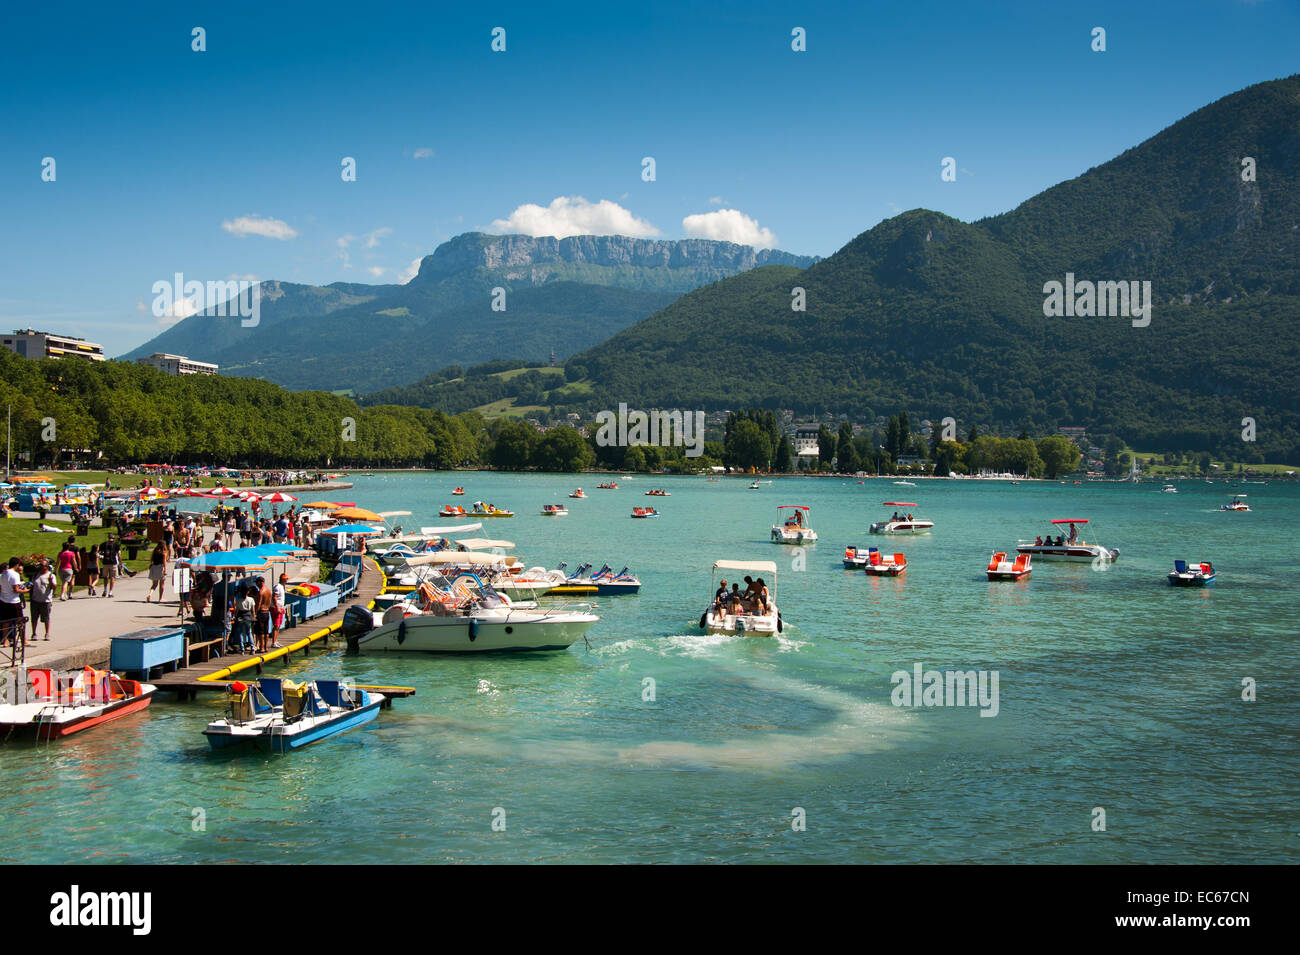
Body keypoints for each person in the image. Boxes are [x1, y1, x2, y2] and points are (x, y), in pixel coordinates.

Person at [0, 557, 26, 647]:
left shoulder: (3, 574)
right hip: (13, 601)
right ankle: (23, 640)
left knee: (5, 622)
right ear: (16, 565)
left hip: (4, 600)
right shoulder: (15, 575)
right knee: (20, 621)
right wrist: (26, 590)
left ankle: (6, 640)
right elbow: (16, 589)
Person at [28, 559, 55, 641]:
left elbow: (54, 587)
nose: (41, 567)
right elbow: (32, 586)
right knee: (34, 618)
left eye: (42, 565)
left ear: (47, 567)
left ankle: (47, 634)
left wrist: (51, 582)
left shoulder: (51, 576)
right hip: (35, 600)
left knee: (46, 618)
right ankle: (34, 633)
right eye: (40, 565)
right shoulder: (36, 575)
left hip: (45, 601)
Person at [255, 576, 273, 654]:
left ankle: (261, 647)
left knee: (261, 631)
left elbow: (259, 604)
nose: (256, 585)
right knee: (266, 631)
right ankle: (266, 647)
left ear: (260, 583)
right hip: (267, 612)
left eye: (257, 583)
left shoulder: (261, 592)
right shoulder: (269, 591)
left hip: (261, 612)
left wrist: (255, 613)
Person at [272, 573, 287, 647]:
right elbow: (274, 597)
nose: (287, 580)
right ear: (283, 579)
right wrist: (277, 607)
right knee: (276, 625)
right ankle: (274, 642)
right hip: (276, 608)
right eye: (286, 579)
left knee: (279, 625)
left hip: (280, 607)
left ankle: (276, 640)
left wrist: (282, 608)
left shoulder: (282, 587)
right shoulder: (278, 587)